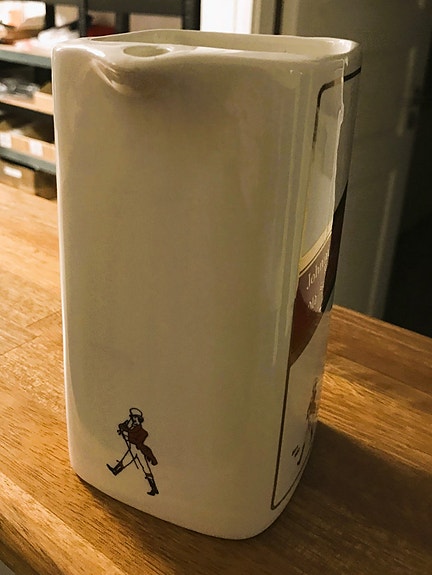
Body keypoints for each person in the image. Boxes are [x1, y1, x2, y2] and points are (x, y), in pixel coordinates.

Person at [107, 407, 159, 496]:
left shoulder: (143, 432)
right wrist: (124, 429)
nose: (133, 419)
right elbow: (124, 428)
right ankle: (115, 470)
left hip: (139, 450)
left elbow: (136, 440)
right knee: (127, 459)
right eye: (132, 417)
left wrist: (127, 433)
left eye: (134, 417)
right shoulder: (131, 427)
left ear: (138, 418)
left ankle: (154, 488)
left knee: (145, 468)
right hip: (134, 449)